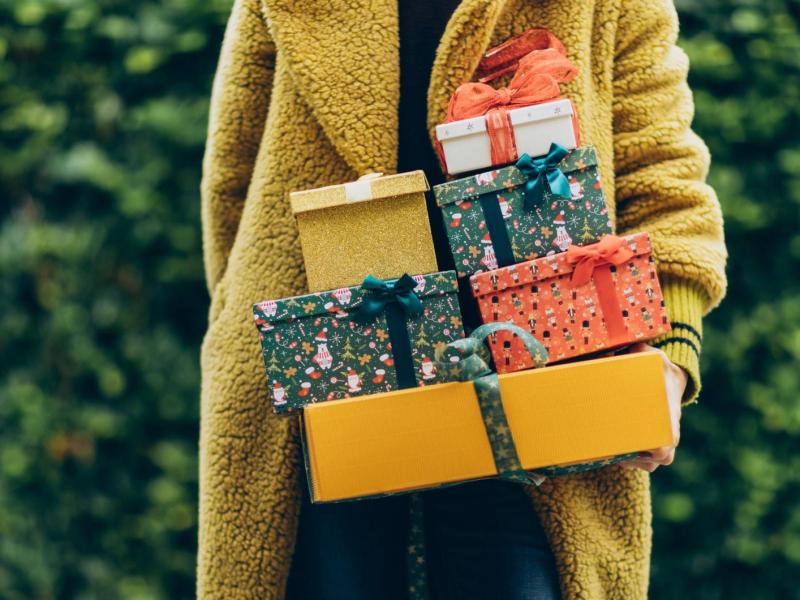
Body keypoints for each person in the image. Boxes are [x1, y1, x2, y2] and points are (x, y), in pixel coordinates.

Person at [198, 1, 727, 598]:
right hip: (324, 405)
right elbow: (235, 194)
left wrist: (672, 355)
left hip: (546, 408)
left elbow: (664, 182)